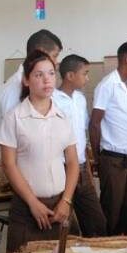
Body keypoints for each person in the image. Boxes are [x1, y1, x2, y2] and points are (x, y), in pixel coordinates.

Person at [0, 50, 79, 253]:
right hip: (26, 209)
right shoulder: (15, 117)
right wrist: (32, 202)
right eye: (39, 75)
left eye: (51, 74)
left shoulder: (62, 116)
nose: (46, 80)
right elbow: (9, 164)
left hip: (59, 210)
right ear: (27, 80)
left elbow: (73, 163)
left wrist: (66, 201)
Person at [89, 40, 127, 236]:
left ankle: (121, 251)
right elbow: (95, 124)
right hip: (112, 158)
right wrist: (98, 158)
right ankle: (104, 251)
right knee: (111, 210)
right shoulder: (107, 85)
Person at [53, 54, 107, 237]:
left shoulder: (80, 99)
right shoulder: (52, 101)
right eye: (85, 73)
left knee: (97, 222)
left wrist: (89, 171)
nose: (87, 78)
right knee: (64, 225)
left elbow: (82, 135)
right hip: (62, 169)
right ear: (70, 76)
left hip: (82, 168)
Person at [0, 29, 62, 118]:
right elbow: (12, 127)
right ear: (40, 52)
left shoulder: (47, 85)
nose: (56, 62)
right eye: (55, 56)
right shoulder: (12, 89)